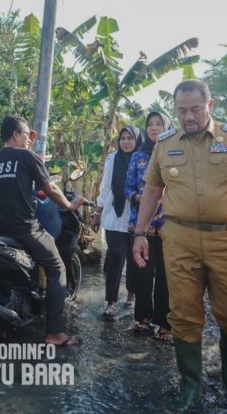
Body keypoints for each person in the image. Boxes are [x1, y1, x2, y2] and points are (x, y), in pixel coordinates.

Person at [131, 80, 227, 409]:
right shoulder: (165, 143)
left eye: (195, 109)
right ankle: (191, 383)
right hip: (179, 238)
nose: (188, 116)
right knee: (183, 313)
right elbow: (153, 192)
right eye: (182, 110)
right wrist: (140, 233)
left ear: (210, 106)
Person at [0, 115, 85, 346]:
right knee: (56, 266)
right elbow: (49, 189)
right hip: (22, 227)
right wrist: (69, 205)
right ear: (15, 135)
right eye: (25, 134)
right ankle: (55, 334)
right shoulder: (27, 156)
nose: (29, 138)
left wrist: (30, 141)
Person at [125, 111, 173, 341]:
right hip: (142, 225)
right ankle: (143, 318)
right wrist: (141, 198)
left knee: (166, 275)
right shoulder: (138, 157)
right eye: (150, 124)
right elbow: (127, 188)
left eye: (159, 124)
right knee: (142, 272)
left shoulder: (175, 153)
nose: (154, 128)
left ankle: (165, 323)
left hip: (169, 225)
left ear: (168, 127)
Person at [94, 126, 141, 320]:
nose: (126, 142)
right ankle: (110, 302)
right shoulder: (113, 159)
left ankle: (131, 294)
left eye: (130, 138)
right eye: (123, 138)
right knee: (115, 258)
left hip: (137, 216)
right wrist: (98, 210)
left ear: (137, 140)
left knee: (134, 260)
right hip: (114, 216)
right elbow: (105, 187)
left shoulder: (143, 158)